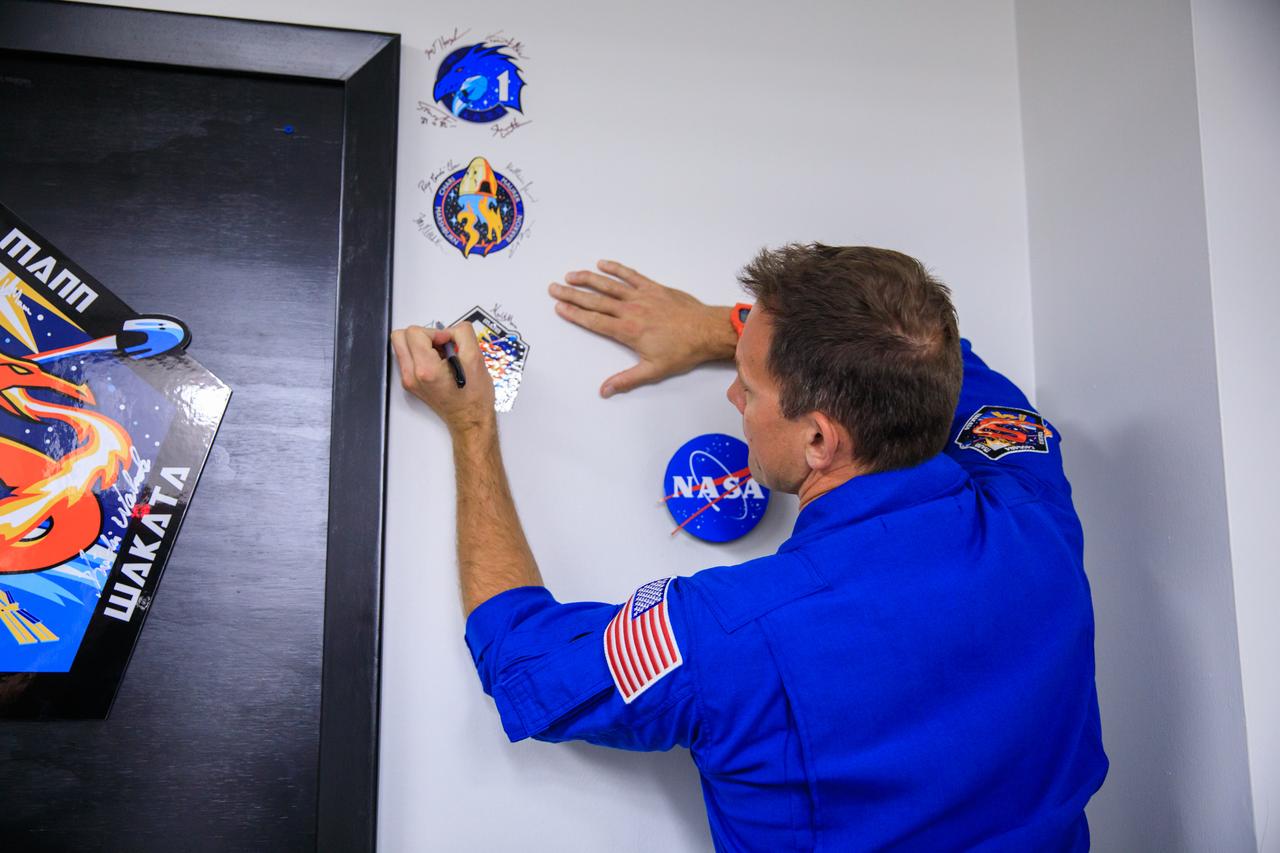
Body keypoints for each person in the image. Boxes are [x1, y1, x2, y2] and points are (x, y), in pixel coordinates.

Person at [389, 245, 1107, 852]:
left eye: (750, 382)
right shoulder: (1034, 505)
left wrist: (471, 426)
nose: (733, 392)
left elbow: (522, 661)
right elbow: (939, 355)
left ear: (820, 439)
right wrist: (719, 326)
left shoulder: (725, 633)